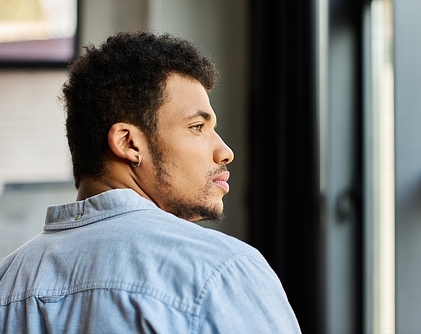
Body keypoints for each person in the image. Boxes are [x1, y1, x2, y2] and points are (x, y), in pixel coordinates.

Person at [0, 31, 301, 333]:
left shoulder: (8, 282)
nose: (225, 152)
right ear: (129, 143)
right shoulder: (222, 270)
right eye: (198, 127)